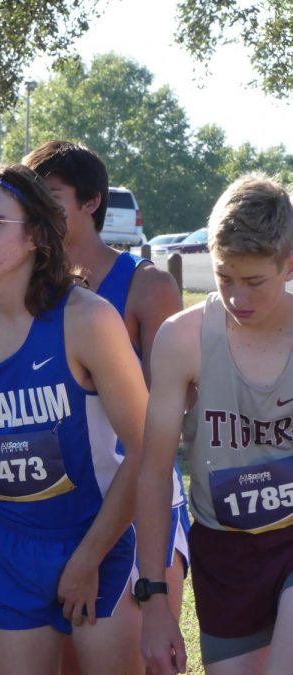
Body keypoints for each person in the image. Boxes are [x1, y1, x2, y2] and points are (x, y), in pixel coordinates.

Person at [0, 165, 149, 674]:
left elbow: (146, 449)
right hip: (10, 551)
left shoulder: (87, 319)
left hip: (98, 539)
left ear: (35, 235)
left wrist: (89, 558)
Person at [22, 141, 190, 662]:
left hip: (138, 491)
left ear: (91, 202)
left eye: (51, 197)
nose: (39, 213)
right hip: (57, 500)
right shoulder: (24, 289)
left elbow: (178, 401)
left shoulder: (146, 285)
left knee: (150, 658)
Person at [137, 174, 293, 675]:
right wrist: (155, 600)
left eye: (254, 282)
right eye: (224, 278)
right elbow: (154, 471)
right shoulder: (184, 339)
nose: (236, 297)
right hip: (225, 550)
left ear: (288, 265)